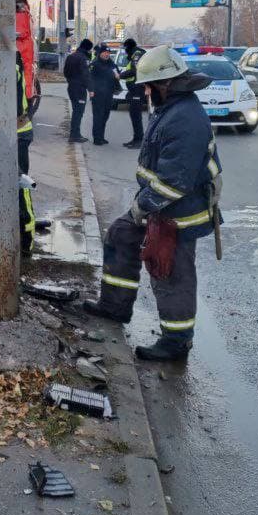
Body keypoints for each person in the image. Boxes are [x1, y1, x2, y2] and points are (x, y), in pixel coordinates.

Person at [79, 45, 222, 361]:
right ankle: (115, 307)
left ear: (165, 83)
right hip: (158, 206)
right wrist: (142, 206)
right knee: (120, 235)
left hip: (179, 213)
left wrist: (142, 207)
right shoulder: (171, 107)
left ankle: (176, 342)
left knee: (170, 271)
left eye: (148, 86)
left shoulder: (185, 118)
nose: (145, 92)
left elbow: (174, 182)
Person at [16, 51, 35, 254]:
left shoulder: (7, 60)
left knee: (20, 184)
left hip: (17, 133)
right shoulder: (10, 57)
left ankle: (26, 239)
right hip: (15, 131)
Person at [118, 38, 148, 149]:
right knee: (134, 115)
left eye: (125, 48)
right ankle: (136, 139)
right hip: (134, 90)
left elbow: (135, 70)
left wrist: (120, 75)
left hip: (138, 89)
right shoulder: (135, 54)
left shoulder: (137, 54)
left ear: (127, 47)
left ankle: (139, 140)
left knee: (136, 115)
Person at [62, 38, 93, 142]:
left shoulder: (71, 56)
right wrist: (91, 89)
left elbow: (65, 72)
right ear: (87, 48)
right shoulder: (83, 58)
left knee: (76, 111)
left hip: (71, 87)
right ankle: (75, 135)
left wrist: (71, 81)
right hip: (80, 89)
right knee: (78, 112)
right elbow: (86, 75)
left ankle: (75, 134)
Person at [89, 45, 120, 145]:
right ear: (100, 53)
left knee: (105, 116)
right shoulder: (95, 64)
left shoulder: (111, 63)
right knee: (98, 116)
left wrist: (117, 75)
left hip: (109, 94)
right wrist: (91, 90)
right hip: (98, 94)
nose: (107, 54)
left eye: (108, 53)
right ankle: (97, 138)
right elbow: (89, 78)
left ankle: (101, 136)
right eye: (105, 52)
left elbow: (117, 73)